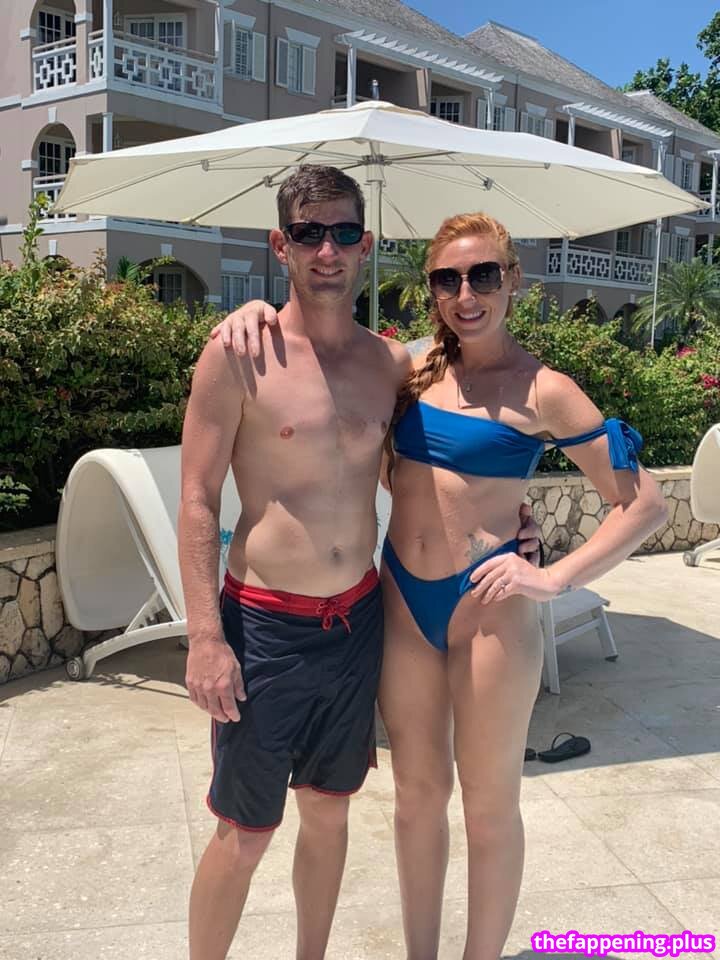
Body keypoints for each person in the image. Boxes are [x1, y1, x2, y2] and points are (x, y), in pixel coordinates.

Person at [213, 212, 668, 960]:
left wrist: (551, 576)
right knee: (417, 799)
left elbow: (643, 503)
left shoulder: (545, 390)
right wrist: (256, 310)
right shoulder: (409, 368)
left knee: (489, 808)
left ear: (513, 280)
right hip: (403, 600)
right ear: (430, 289)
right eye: (447, 279)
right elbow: (322, 354)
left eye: (483, 275)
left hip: (491, 610)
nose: (466, 294)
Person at [179, 167, 539, 960]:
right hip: (265, 624)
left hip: (355, 621)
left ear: (366, 244)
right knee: (244, 831)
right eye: (308, 233)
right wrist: (205, 637)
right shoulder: (239, 353)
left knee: (330, 811)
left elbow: (425, 471)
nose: (327, 250)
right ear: (280, 245)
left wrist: (512, 524)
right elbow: (198, 500)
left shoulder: (390, 365)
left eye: (343, 232)